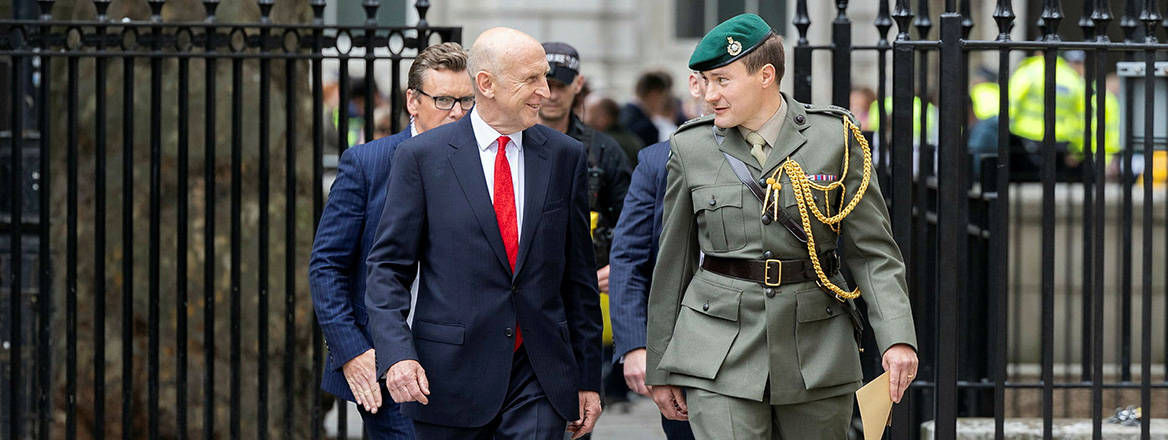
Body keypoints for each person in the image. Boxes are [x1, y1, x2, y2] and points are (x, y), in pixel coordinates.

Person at [644, 14, 919, 439]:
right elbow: (673, 262)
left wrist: (897, 337)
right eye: (705, 81)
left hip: (817, 348)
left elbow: (874, 253)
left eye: (722, 80)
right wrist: (660, 364)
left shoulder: (835, 138)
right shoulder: (690, 145)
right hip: (717, 349)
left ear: (765, 76)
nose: (709, 94)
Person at [363, 27, 604, 440]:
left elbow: (578, 279)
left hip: (540, 377)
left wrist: (587, 378)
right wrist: (397, 354)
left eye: (544, 77)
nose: (544, 92)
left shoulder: (565, 156)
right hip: (448, 378)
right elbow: (387, 269)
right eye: (531, 79)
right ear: (487, 84)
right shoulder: (422, 158)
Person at [309, 42, 474, 439]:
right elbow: (327, 264)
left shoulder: (486, 164)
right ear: (412, 101)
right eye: (444, 99)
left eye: (467, 101)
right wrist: (351, 350)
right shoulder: (368, 164)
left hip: (472, 365)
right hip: (390, 364)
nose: (457, 112)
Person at [608, 71, 713, 440]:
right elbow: (629, 257)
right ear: (695, 87)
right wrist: (636, 346)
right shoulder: (657, 161)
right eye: (708, 81)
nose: (715, 93)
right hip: (684, 349)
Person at [537, 41, 633, 407]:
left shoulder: (604, 150)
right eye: (545, 83)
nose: (550, 94)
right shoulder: (511, 143)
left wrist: (618, 266)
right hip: (527, 292)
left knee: (579, 402)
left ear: (578, 85)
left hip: (585, 292)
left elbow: (631, 219)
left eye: (560, 86)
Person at [584, 96, 645, 166]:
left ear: (603, 118)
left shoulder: (604, 145)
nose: (582, 117)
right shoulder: (632, 139)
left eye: (586, 112)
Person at [621, 70, 674, 146]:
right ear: (654, 94)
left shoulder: (622, 114)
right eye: (662, 97)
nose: (663, 103)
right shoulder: (647, 128)